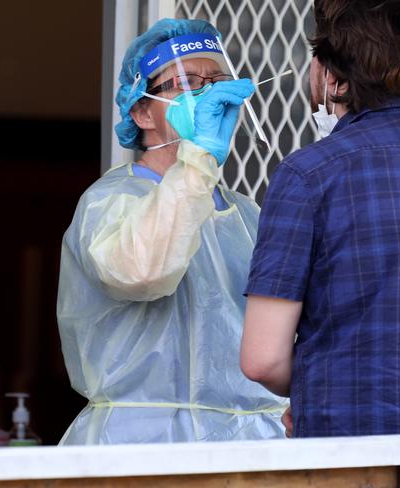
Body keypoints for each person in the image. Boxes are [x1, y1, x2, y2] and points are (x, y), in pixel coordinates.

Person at [240, 0, 400, 438]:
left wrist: (313, 389)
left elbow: (262, 358)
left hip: (354, 455)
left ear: (333, 77)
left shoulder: (308, 175)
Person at [57, 18, 286, 444]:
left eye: (216, 80)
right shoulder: (110, 201)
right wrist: (197, 158)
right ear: (141, 111)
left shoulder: (247, 215)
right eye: (185, 82)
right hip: (139, 447)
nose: (206, 92)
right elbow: (141, 271)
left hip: (252, 447)